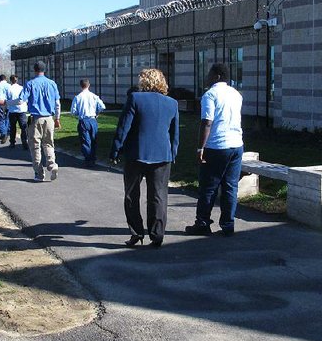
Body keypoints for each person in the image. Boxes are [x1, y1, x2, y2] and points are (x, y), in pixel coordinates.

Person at [110, 68, 179, 248]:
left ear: (144, 81)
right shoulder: (172, 103)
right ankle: (157, 235)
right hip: (163, 156)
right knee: (158, 196)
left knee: (131, 195)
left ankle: (136, 232)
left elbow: (124, 127)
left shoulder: (135, 98)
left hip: (136, 154)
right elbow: (174, 134)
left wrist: (116, 149)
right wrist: (173, 153)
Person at [185, 63, 243, 237]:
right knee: (230, 187)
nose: (207, 76)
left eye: (209, 73)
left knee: (208, 187)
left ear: (217, 76)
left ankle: (202, 223)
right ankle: (228, 225)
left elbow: (207, 122)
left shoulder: (210, 95)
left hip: (217, 146)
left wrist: (200, 148)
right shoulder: (236, 94)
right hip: (236, 144)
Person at [22, 61, 61, 181]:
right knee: (49, 143)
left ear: (34, 70)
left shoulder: (30, 84)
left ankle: (39, 173)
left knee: (35, 146)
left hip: (36, 118)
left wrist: (6, 103)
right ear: (45, 70)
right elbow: (57, 103)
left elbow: (21, 100)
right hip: (49, 117)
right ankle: (52, 164)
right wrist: (57, 118)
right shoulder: (52, 83)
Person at [70, 78, 106, 166]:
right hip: (93, 120)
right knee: (93, 139)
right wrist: (97, 112)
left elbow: (73, 111)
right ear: (89, 85)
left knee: (85, 140)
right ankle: (93, 157)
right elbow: (102, 106)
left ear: (80, 86)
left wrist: (79, 113)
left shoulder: (78, 97)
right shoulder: (94, 96)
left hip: (83, 120)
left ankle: (88, 158)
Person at [6, 75, 28, 149]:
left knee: (13, 127)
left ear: (11, 80)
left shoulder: (9, 89)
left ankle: (12, 142)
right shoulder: (22, 88)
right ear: (17, 80)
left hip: (12, 110)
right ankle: (24, 142)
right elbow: (26, 99)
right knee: (23, 127)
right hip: (22, 110)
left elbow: (7, 99)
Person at [0, 75, 11, 143]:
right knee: (7, 118)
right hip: (8, 103)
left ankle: (3, 133)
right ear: (5, 78)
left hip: (0, 104)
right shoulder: (9, 85)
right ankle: (6, 131)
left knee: (0, 119)